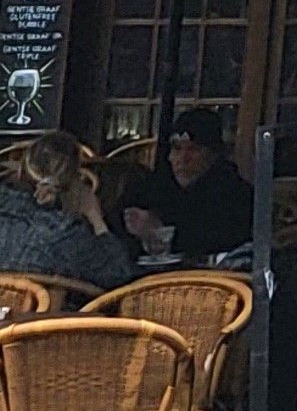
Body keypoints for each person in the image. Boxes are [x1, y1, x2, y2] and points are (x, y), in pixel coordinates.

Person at [119, 108, 253, 265]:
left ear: (214, 155)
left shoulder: (235, 194)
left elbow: (222, 242)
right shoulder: (151, 188)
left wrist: (161, 233)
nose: (183, 158)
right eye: (177, 149)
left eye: (194, 149)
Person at [0, 131, 130, 293]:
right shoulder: (66, 233)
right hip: (45, 317)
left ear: (20, 171)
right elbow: (119, 275)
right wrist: (96, 219)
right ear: (75, 181)